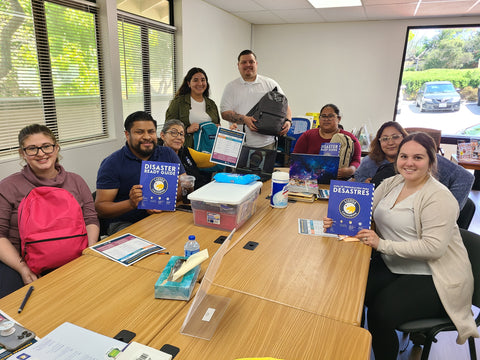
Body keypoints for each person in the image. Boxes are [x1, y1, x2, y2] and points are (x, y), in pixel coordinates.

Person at [324, 132, 479, 359]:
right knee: (352, 293)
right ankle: (351, 350)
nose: (408, 163)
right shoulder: (393, 182)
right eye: (404, 156)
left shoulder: (439, 197)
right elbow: (363, 208)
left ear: (431, 161)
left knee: (380, 314)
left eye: (418, 157)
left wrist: (381, 244)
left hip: (434, 275)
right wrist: (339, 219)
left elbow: (433, 249)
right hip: (396, 263)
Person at [0, 124, 99, 298]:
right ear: (22, 153)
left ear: (56, 147)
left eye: (46, 146)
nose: (41, 153)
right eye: (32, 148)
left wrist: (88, 253)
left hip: (75, 256)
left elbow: (91, 220)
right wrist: (22, 268)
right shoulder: (8, 187)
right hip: (22, 261)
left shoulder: (76, 181)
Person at [95, 111, 185, 235]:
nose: (147, 137)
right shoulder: (112, 163)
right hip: (126, 223)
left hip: (164, 214)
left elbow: (184, 184)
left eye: (151, 132)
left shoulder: (167, 154)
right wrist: (131, 203)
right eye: (139, 132)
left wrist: (165, 201)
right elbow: (101, 208)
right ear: (127, 135)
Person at [355, 121, 474, 210]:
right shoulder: (370, 161)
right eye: (385, 139)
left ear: (404, 137)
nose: (390, 142)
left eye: (395, 137)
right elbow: (358, 181)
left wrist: (450, 209)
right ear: (379, 142)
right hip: (382, 218)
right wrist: (364, 184)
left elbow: (466, 178)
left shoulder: (426, 158)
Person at [220, 49, 292, 149]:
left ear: (256, 64)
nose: (248, 65)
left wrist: (288, 121)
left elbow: (286, 107)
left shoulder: (270, 84)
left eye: (251, 62)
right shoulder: (231, 87)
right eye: (244, 62)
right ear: (238, 65)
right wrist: (245, 119)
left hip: (267, 144)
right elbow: (224, 113)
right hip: (237, 144)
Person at [293, 103, 361, 179]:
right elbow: (296, 158)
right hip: (309, 179)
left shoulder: (349, 138)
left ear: (339, 119)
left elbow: (356, 160)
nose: (326, 119)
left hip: (338, 180)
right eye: (323, 116)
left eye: (330, 116)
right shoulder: (307, 135)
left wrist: (351, 170)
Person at [165, 67, 220, 150]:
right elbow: (168, 127)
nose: (200, 83)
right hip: (187, 150)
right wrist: (186, 129)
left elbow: (217, 126)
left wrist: (218, 128)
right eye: (195, 80)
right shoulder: (178, 102)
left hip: (209, 150)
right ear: (188, 83)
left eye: (203, 80)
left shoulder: (211, 104)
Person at [160, 119, 212, 190]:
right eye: (174, 133)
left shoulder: (186, 151)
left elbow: (212, 159)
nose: (179, 137)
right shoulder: (156, 156)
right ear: (163, 135)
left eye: (181, 134)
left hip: (199, 194)